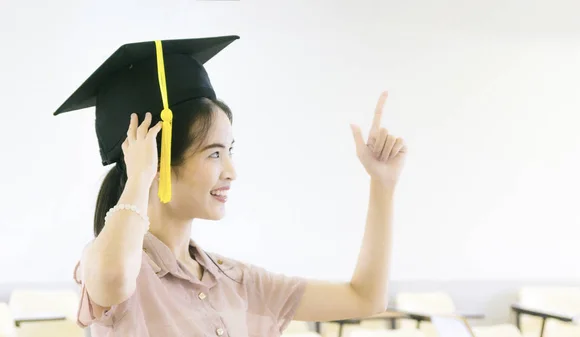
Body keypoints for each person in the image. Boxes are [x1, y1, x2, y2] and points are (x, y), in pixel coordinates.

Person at [54, 35, 407, 337]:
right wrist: (138, 177)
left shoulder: (235, 280)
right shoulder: (115, 264)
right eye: (214, 154)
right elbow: (113, 277)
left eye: (229, 152)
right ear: (157, 163)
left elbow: (366, 298)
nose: (231, 171)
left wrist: (383, 184)